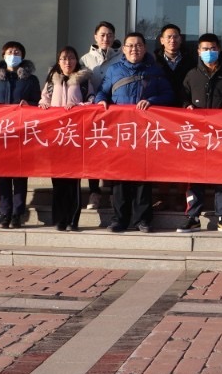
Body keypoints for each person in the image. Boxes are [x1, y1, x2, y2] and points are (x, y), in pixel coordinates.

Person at [94, 32, 175, 232]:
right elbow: (102, 91)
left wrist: (152, 101)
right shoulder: (114, 70)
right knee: (120, 178)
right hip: (121, 131)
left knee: (142, 177)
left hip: (144, 132)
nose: (134, 49)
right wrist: (101, 101)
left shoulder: (155, 70)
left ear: (144, 48)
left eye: (138, 45)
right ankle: (119, 219)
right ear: (123, 49)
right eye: (130, 45)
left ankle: (143, 220)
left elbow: (169, 94)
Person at [179, 33, 222, 234]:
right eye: (205, 49)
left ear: (219, 50)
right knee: (195, 175)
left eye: (213, 48)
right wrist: (187, 106)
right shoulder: (192, 75)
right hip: (197, 134)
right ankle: (193, 217)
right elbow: (182, 97)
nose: (209, 52)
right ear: (198, 51)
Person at [0, 40, 42, 229]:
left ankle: (17, 213)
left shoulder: (30, 79)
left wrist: (29, 105)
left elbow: (38, 102)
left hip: (21, 133)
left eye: (17, 52)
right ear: (3, 55)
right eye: (10, 52)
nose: (13, 55)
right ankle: (4, 213)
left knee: (19, 175)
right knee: (2, 175)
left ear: (22, 56)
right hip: (0, 133)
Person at [39, 45, 94, 231]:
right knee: (58, 182)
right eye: (63, 58)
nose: (67, 62)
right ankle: (59, 219)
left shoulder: (83, 80)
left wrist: (78, 107)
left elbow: (92, 100)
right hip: (55, 137)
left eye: (71, 58)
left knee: (73, 182)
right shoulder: (51, 80)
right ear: (58, 61)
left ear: (76, 60)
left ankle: (72, 219)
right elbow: (44, 99)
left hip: (75, 137)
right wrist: (43, 105)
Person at [81, 20, 121, 211]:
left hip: (116, 111)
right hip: (93, 112)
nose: (106, 38)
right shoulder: (85, 60)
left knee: (114, 152)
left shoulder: (122, 57)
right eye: (102, 35)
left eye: (110, 35)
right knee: (93, 152)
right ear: (95, 37)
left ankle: (113, 193)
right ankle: (94, 192)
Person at [154, 23, 194, 104]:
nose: (172, 40)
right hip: (160, 105)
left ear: (180, 39)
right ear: (162, 40)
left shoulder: (191, 61)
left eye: (175, 37)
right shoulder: (154, 61)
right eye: (169, 37)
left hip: (184, 105)